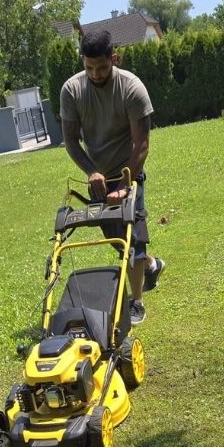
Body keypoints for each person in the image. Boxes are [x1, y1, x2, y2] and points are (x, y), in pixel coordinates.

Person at [60, 29, 164, 325]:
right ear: (83, 61)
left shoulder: (131, 87)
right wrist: (92, 171)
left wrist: (125, 183)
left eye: (102, 67)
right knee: (117, 240)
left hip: (129, 170)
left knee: (133, 236)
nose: (95, 74)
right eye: (89, 67)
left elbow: (141, 144)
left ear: (114, 59)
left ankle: (137, 301)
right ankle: (152, 265)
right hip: (99, 178)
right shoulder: (71, 90)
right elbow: (71, 141)